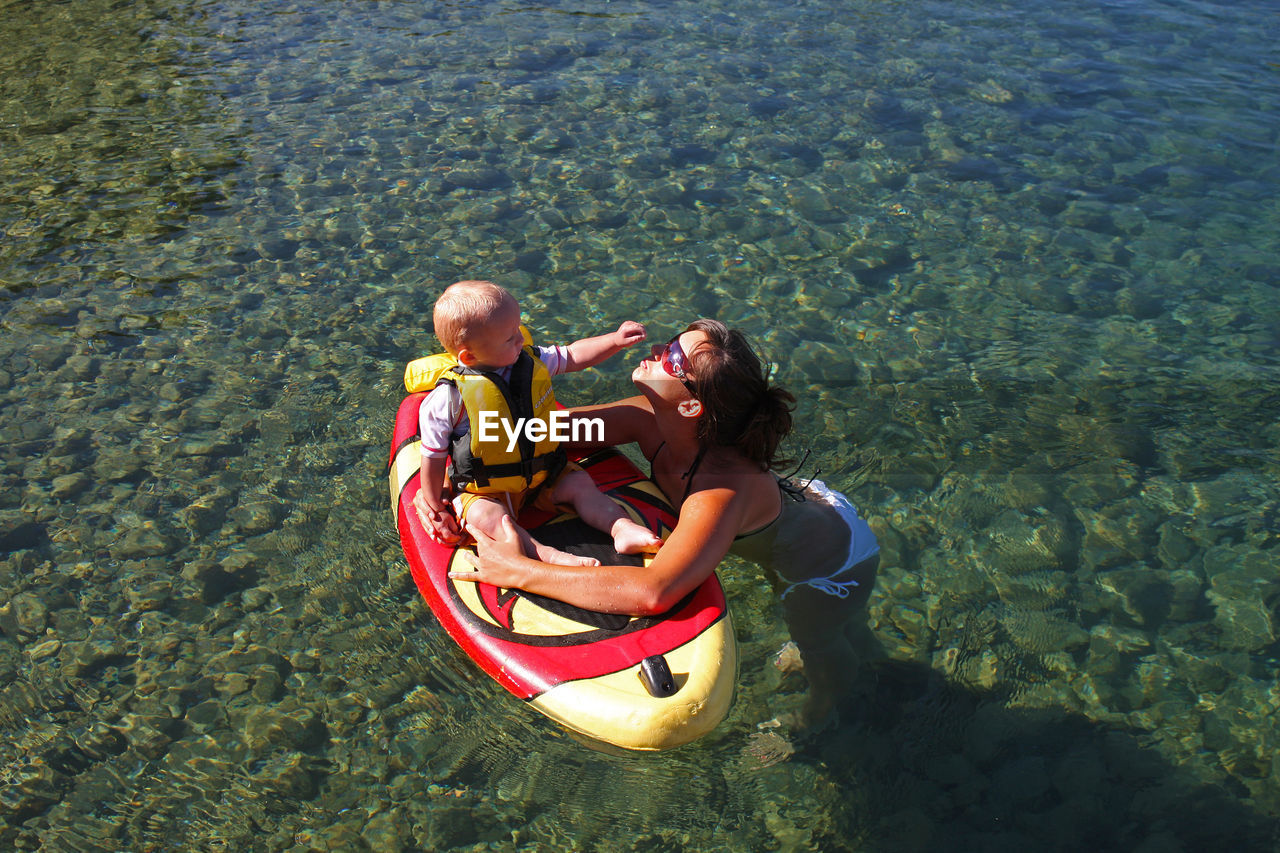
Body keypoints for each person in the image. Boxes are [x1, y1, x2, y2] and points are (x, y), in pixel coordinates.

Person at [453, 318, 881, 729]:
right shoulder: (648, 418)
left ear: (693, 404)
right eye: (674, 341)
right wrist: (454, 431)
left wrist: (520, 572)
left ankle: (820, 714)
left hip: (830, 568)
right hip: (798, 512)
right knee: (848, 636)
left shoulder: (721, 489)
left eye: (675, 358)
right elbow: (540, 434)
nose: (658, 350)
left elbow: (654, 591)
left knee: (818, 639)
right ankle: (868, 659)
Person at [405, 280, 662, 566]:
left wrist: (614, 340)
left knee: (580, 484)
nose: (520, 339)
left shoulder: (529, 360)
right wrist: (433, 504)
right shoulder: (448, 399)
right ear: (469, 355)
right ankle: (546, 555)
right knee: (486, 518)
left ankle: (621, 528)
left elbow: (573, 356)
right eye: (509, 338)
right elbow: (433, 456)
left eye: (518, 329)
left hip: (543, 477)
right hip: (486, 491)